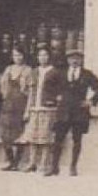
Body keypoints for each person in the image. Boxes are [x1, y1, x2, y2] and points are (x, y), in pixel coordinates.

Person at [53, 48, 98, 176]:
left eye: (77, 58)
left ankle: (73, 167)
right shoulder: (60, 73)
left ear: (81, 60)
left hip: (79, 112)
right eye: (72, 58)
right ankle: (54, 167)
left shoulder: (87, 74)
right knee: (58, 139)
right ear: (68, 60)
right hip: (63, 111)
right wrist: (55, 96)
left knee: (77, 140)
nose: (74, 61)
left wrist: (91, 101)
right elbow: (48, 86)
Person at [22, 45, 63, 174]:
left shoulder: (55, 72)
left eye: (45, 55)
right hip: (35, 108)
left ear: (49, 57)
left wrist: (55, 102)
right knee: (32, 136)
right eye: (40, 55)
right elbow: (29, 91)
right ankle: (32, 162)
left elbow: (60, 92)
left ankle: (43, 164)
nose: (42, 58)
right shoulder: (34, 72)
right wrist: (27, 109)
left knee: (46, 137)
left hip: (48, 109)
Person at [0, 46, 34, 171]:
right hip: (8, 104)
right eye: (15, 55)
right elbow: (2, 87)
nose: (17, 58)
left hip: (21, 104)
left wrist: (28, 109)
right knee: (5, 134)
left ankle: (17, 163)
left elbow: (31, 91)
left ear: (23, 56)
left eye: (19, 55)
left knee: (20, 133)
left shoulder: (28, 70)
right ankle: (10, 160)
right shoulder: (8, 69)